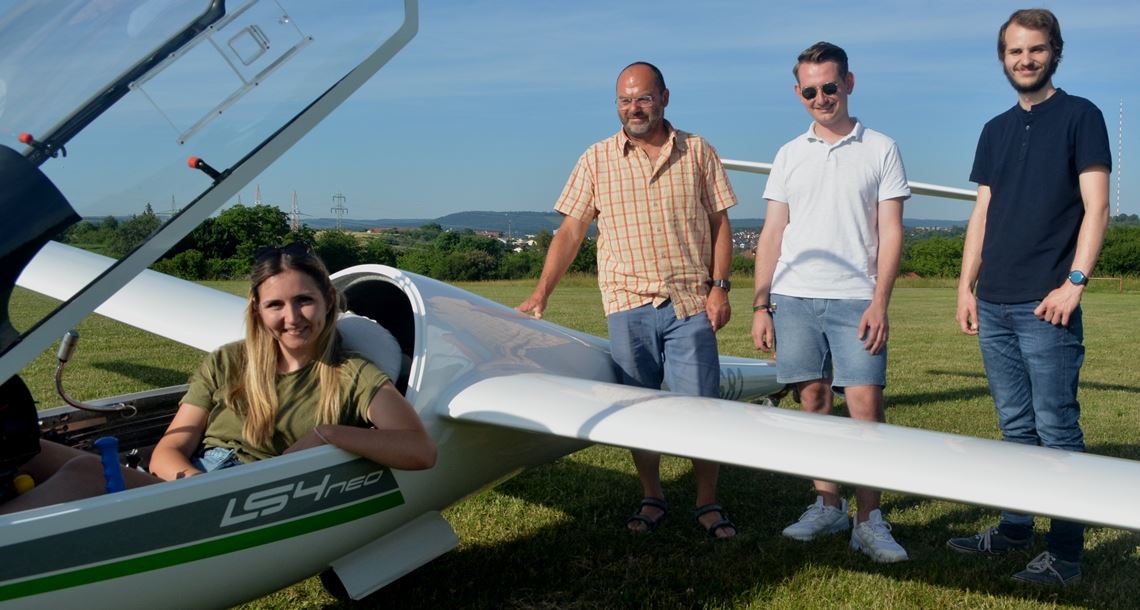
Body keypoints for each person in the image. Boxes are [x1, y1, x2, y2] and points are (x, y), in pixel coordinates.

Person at [2, 242, 435, 514]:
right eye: (275, 306)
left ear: (328, 301)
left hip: (251, 496)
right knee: (28, 449)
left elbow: (419, 449)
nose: (291, 318)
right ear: (258, 311)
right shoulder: (227, 361)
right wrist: (197, 489)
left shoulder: (351, 374)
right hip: (191, 486)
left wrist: (327, 434)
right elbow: (172, 446)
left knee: (84, 474)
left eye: (304, 301)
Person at [517, 61, 738, 539]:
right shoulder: (596, 158)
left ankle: (707, 501)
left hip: (689, 302)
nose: (633, 108)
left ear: (664, 97)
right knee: (636, 410)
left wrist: (719, 287)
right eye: (624, 100)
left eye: (642, 98)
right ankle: (652, 496)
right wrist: (541, 291)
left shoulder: (698, 152)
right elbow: (571, 231)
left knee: (701, 408)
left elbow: (721, 225)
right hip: (626, 304)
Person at [947, 8, 1110, 586]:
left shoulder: (1081, 116)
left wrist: (1075, 282)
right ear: (1003, 58)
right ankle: (1015, 529)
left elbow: (1097, 207)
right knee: (1014, 424)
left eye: (1036, 49)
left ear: (1054, 52)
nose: (1025, 59)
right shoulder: (994, 129)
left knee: (1057, 426)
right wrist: (966, 287)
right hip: (993, 302)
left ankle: (1065, 554)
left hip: (1048, 306)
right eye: (1015, 51)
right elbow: (983, 213)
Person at [751, 41, 910, 562]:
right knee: (812, 402)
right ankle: (827, 504)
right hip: (794, 297)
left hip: (855, 300)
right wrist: (761, 303)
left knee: (865, 406)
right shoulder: (788, 153)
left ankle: (869, 519)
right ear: (798, 93)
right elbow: (773, 233)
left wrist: (879, 300)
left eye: (829, 86)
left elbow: (891, 231)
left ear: (849, 83)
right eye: (810, 90)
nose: (821, 97)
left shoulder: (881, 147)